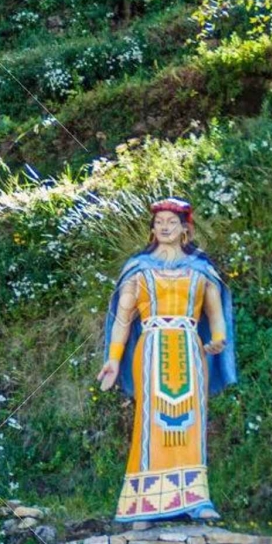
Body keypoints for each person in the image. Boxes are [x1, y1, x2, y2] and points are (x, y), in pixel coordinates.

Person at [97, 197, 236, 523]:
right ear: (153, 227)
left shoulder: (201, 269)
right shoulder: (139, 268)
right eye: (159, 221)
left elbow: (216, 314)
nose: (165, 226)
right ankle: (145, 503)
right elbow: (122, 318)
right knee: (150, 422)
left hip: (190, 348)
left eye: (171, 221)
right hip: (151, 348)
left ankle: (197, 499)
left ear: (185, 227)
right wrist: (113, 359)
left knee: (192, 423)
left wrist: (218, 341)